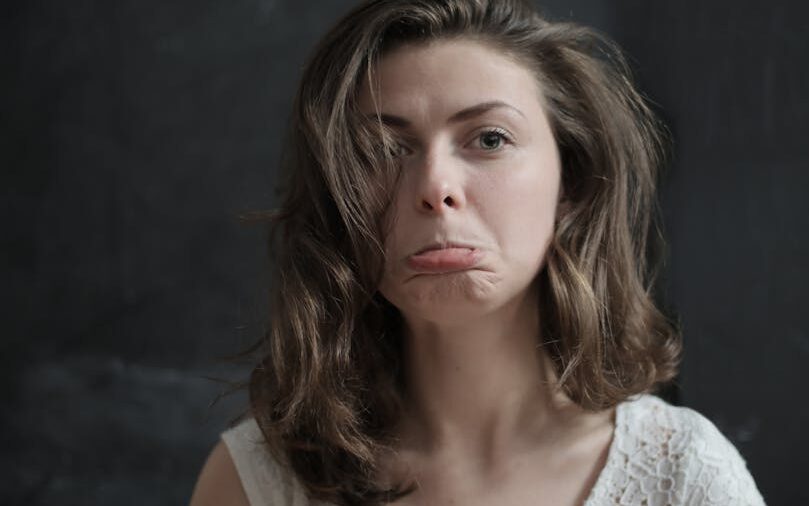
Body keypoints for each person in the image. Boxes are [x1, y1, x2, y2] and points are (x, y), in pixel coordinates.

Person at [190, 0, 765, 505]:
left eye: (489, 139)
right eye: (386, 148)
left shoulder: (683, 477)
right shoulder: (257, 483)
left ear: (572, 183)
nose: (434, 187)